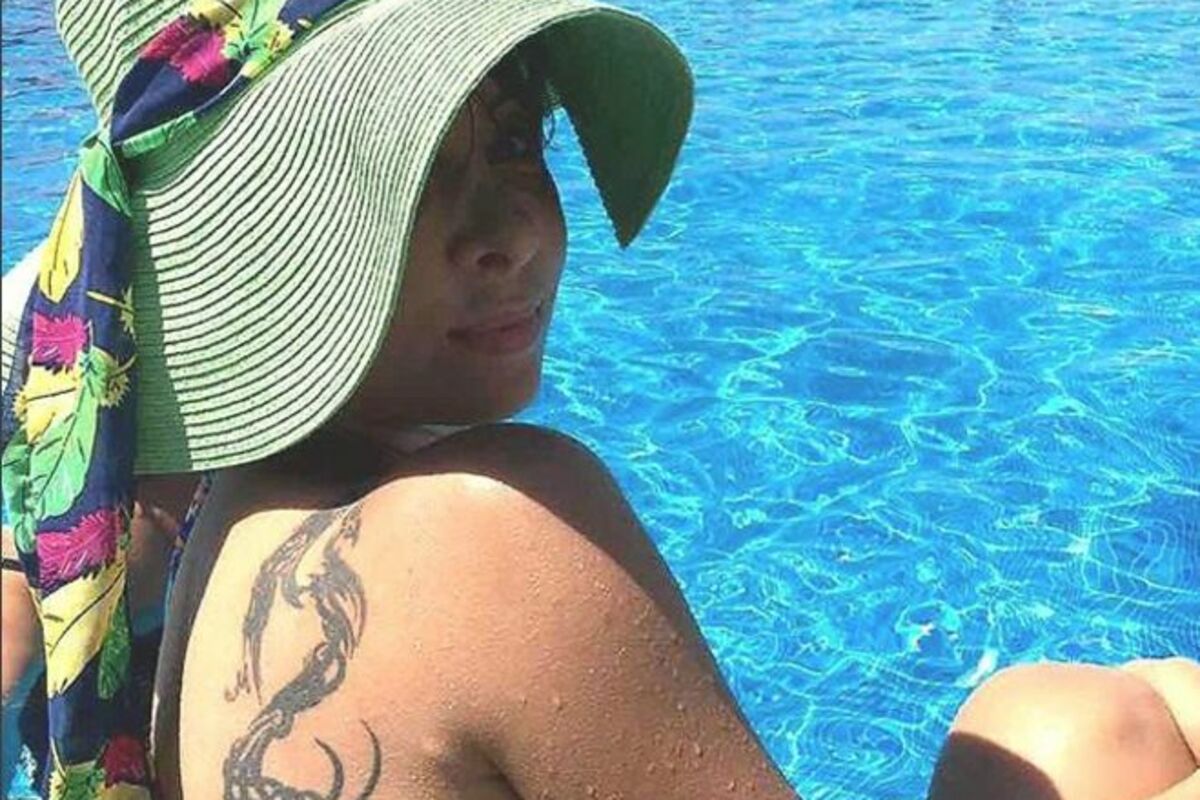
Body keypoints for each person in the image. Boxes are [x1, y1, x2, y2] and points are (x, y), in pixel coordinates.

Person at [1, 1, 1195, 799]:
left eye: (518, 140)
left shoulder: (203, 525)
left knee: (1062, 723)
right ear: (247, 245)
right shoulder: (477, 534)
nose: (514, 229)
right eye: (405, 173)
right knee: (1096, 732)